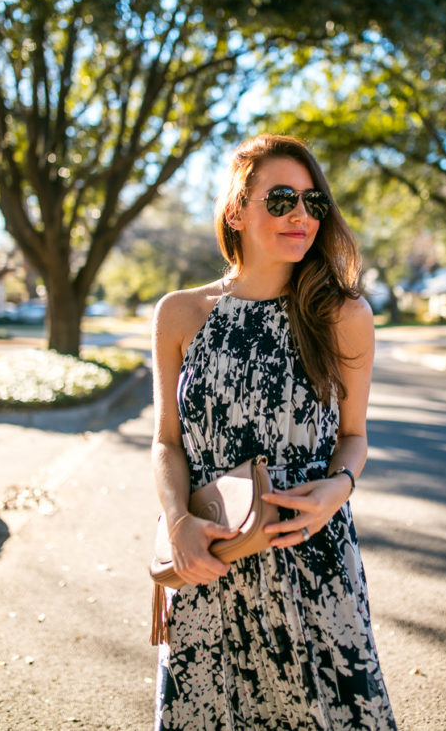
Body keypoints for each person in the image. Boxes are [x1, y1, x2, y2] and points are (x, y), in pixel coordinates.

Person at [151, 133, 397, 730]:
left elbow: (354, 437)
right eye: (281, 197)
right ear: (235, 209)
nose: (301, 215)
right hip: (209, 558)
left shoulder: (343, 315)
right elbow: (166, 441)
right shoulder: (181, 313)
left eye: (313, 202)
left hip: (313, 560)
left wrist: (337, 489)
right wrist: (178, 522)